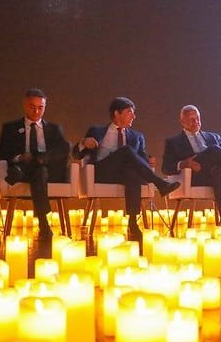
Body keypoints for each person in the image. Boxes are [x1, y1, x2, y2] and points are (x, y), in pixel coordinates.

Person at [73, 96, 180, 240]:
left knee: (132, 173)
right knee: (126, 151)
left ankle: (132, 222)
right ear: (117, 113)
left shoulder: (137, 136)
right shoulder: (96, 131)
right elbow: (76, 154)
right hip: (101, 172)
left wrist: (148, 161)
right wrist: (83, 143)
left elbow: (140, 158)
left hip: (123, 174)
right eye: (130, 112)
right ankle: (159, 183)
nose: (134, 116)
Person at [0, 88, 70, 240]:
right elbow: (1, 154)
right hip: (28, 168)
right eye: (32, 106)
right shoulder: (10, 128)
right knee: (39, 171)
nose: (36, 111)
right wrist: (19, 158)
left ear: (45, 107)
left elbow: (63, 152)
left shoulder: (55, 129)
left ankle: (23, 170)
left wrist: (41, 159)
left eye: (40, 107)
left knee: (60, 150)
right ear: (24, 105)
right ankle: (44, 225)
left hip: (47, 170)